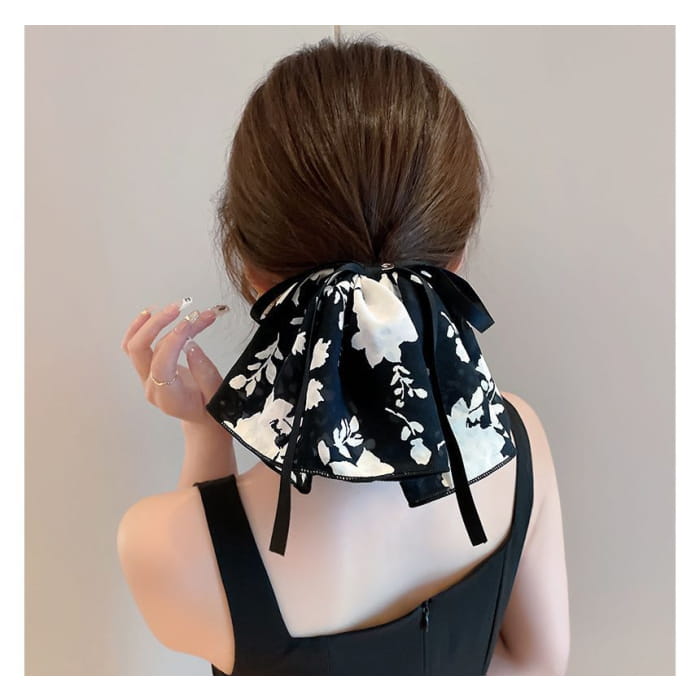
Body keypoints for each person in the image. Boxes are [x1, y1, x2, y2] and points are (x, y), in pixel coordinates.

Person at [117, 35, 569, 675]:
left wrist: (206, 432)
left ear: (248, 271)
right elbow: (537, 669)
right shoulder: (516, 441)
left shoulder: (156, 544)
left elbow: (211, 586)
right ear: (457, 260)